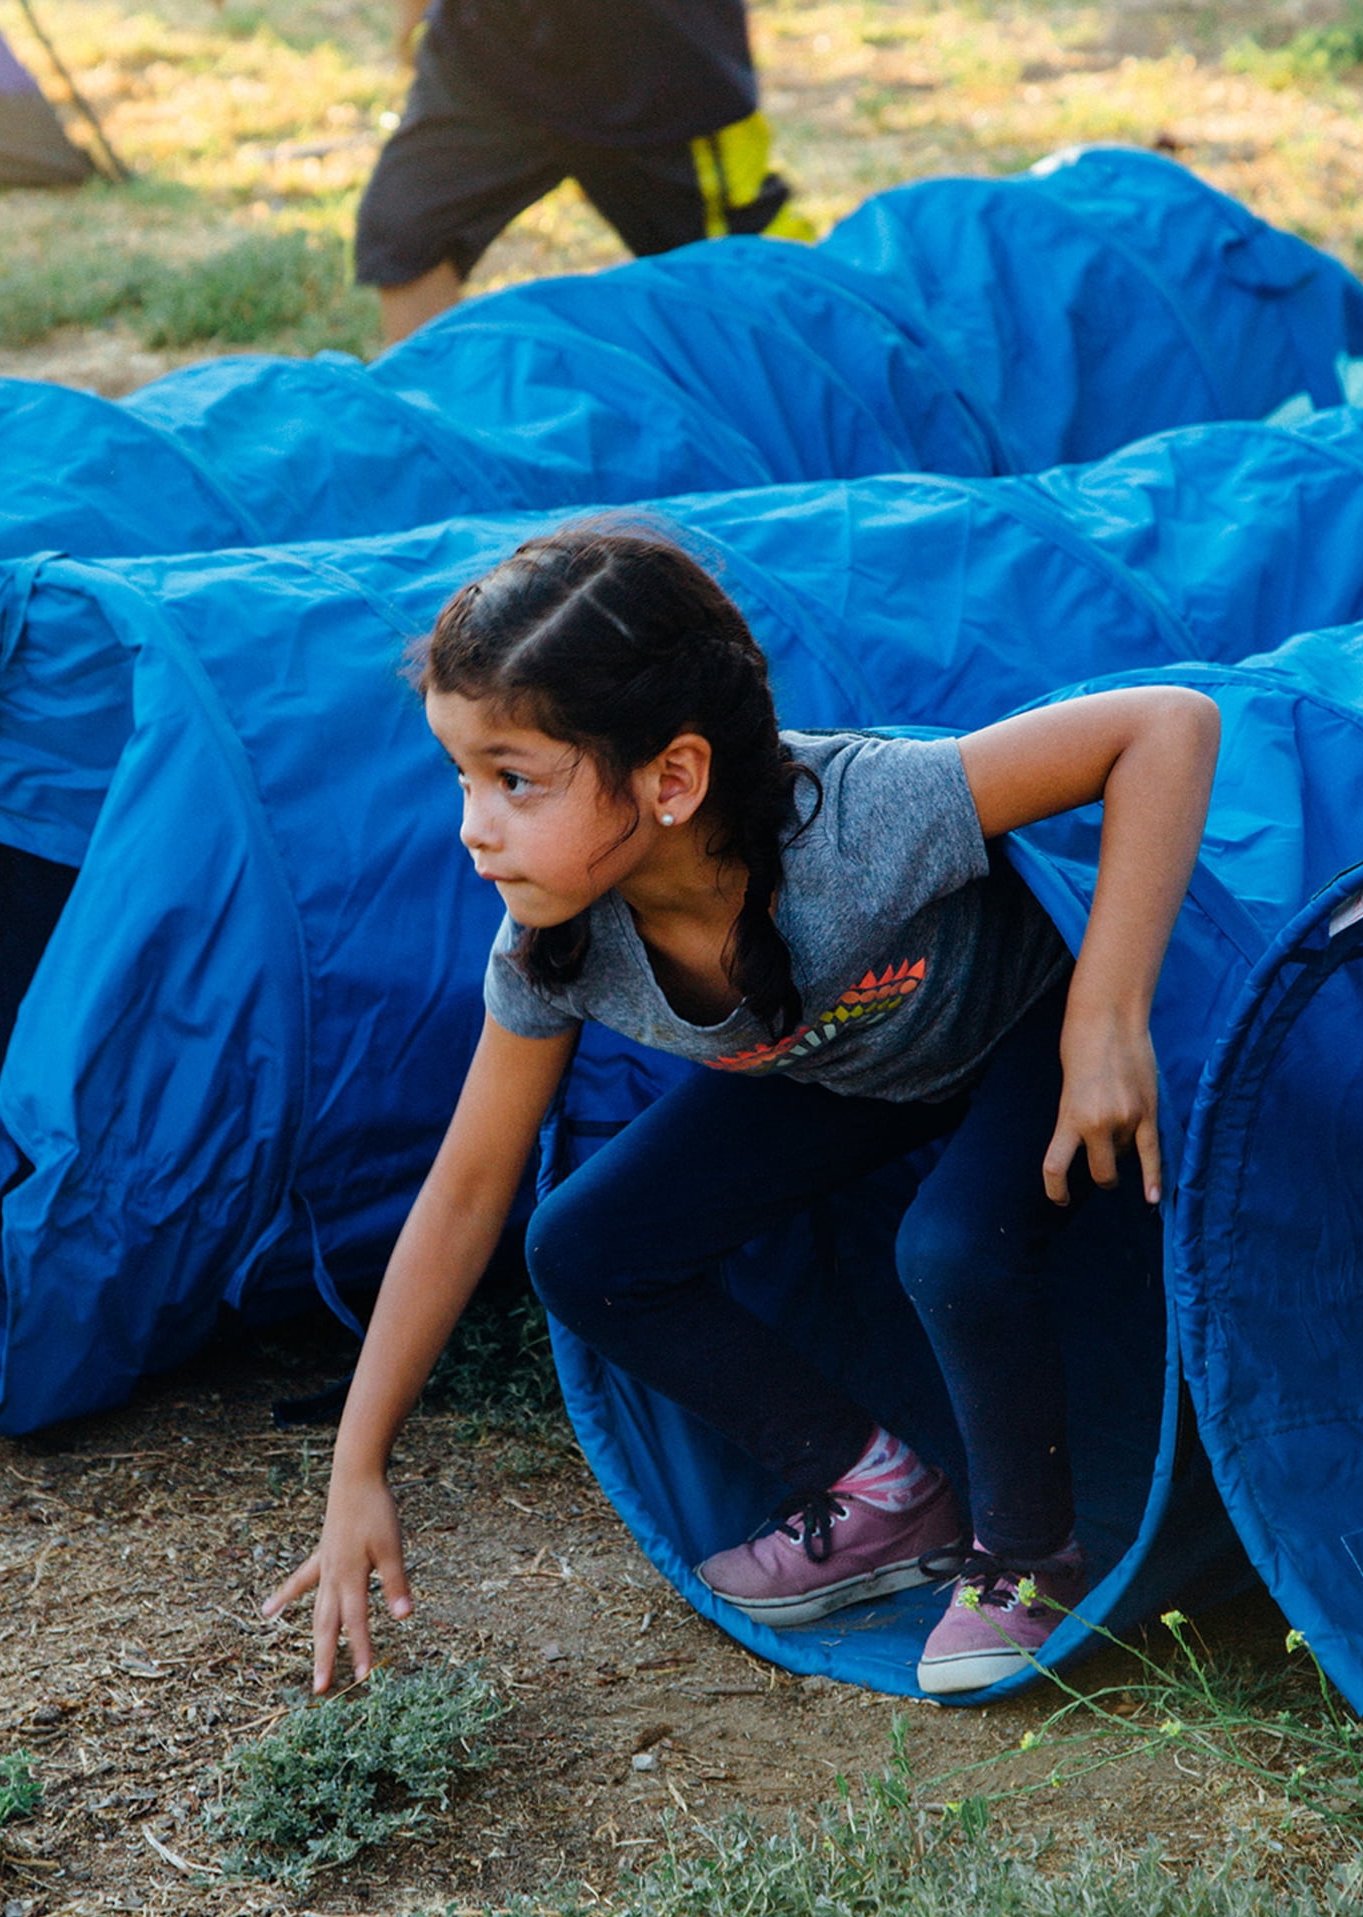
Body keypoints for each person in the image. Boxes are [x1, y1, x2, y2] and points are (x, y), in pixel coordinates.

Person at [265, 525, 1220, 1697]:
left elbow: (1166, 725)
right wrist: (359, 1463)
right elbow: (467, 1189)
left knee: (954, 1246)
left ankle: (1032, 1559)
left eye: (514, 779)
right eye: (462, 777)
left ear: (672, 778)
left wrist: (1106, 1018)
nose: (474, 822)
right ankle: (877, 1491)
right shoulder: (555, 947)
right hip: (851, 1071)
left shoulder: (860, 822)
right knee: (585, 1247)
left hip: (1025, 1023)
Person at [357, 0, 810, 345]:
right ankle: (435, 436)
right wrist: (413, 15)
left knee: (748, 279)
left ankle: (821, 423)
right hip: (490, 52)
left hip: (658, 65)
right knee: (405, 236)